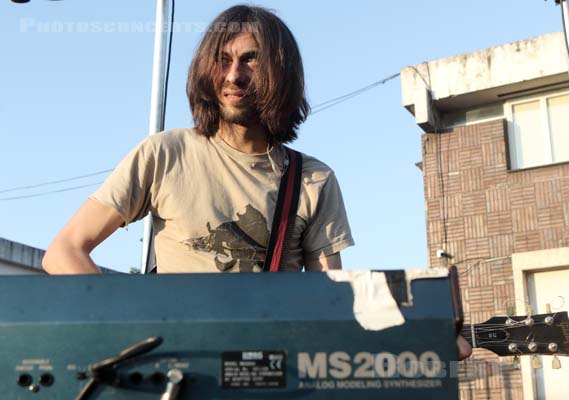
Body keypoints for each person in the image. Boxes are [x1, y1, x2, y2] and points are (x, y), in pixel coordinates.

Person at [41, 4, 471, 360]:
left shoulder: (313, 180)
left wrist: (422, 339)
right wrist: (129, 332)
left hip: (267, 371)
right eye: (223, 60)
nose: (233, 76)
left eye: (250, 59)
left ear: (279, 72)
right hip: (175, 370)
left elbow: (331, 306)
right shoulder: (164, 153)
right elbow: (63, 253)